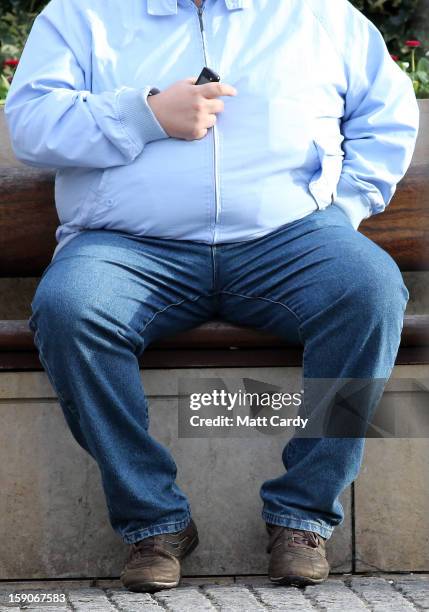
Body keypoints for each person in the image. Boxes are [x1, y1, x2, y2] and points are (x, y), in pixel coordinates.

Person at [5, 0, 419, 592]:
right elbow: (32, 126)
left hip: (290, 239)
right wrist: (143, 113)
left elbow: (386, 120)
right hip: (128, 245)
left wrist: (344, 204)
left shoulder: (323, 14)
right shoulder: (81, 13)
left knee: (370, 292)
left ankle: (303, 515)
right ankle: (154, 523)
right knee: (70, 309)